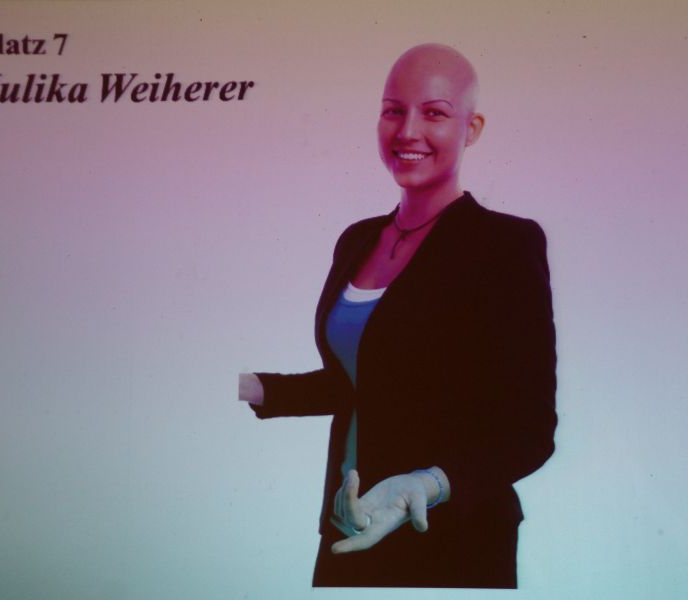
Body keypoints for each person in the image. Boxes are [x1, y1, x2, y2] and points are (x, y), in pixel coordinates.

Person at [238, 43, 557, 588]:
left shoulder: (504, 244)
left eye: (434, 113)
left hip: (449, 537)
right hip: (346, 525)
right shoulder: (357, 240)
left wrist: (426, 485)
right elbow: (362, 382)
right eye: (393, 110)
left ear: (472, 128)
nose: (408, 131)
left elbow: (530, 429)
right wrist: (252, 387)